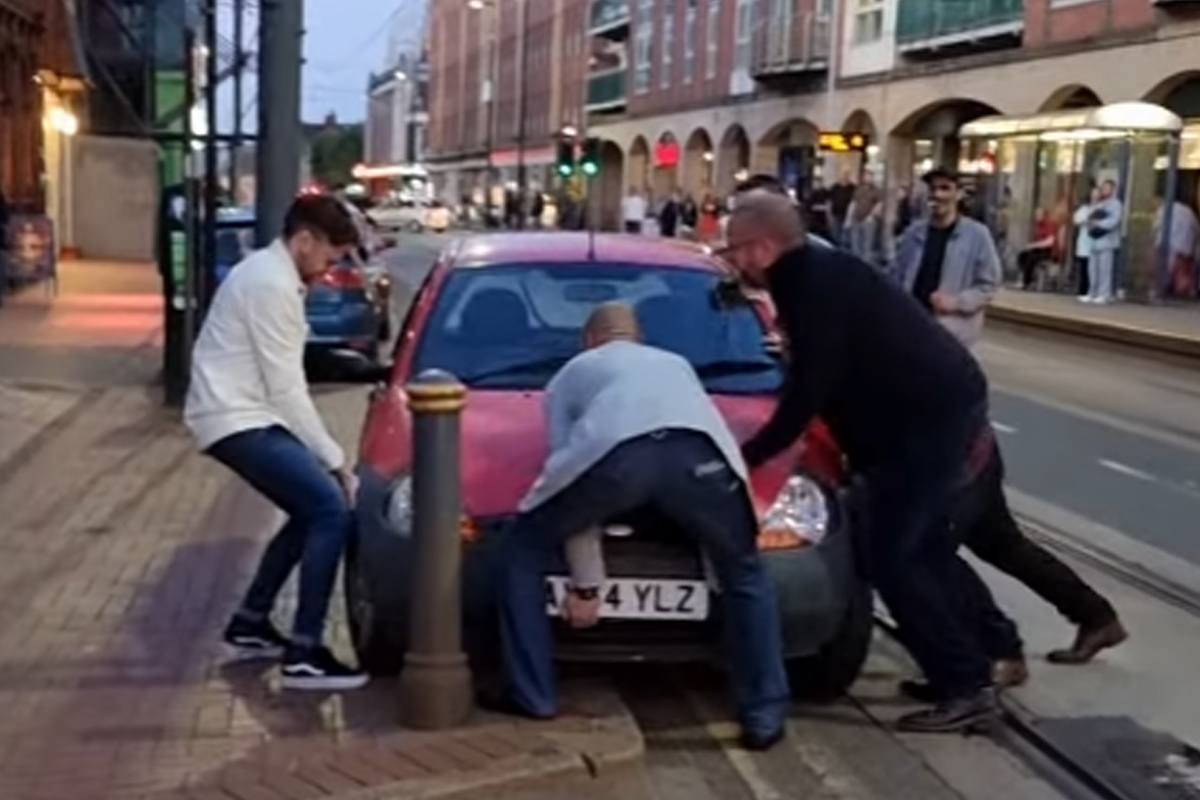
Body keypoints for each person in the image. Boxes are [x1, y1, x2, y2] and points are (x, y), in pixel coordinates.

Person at [720, 192, 997, 733]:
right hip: (919, 421)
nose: (733, 260)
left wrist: (752, 455)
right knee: (915, 552)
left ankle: (968, 684)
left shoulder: (810, 286)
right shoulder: (812, 274)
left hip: (929, 426)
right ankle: (969, 664)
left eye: (736, 249)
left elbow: (809, 391)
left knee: (896, 559)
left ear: (765, 246)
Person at [487, 303, 790, 751]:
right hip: (701, 460)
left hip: (618, 461)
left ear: (589, 341)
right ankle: (764, 713)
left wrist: (588, 584)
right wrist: (728, 541)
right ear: (640, 339)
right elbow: (720, 444)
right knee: (745, 573)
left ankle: (532, 694)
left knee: (522, 551)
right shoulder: (677, 365)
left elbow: (565, 468)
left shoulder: (572, 374)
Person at [185, 194, 368, 691]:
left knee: (312, 511)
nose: (330, 271)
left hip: (238, 412)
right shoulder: (270, 284)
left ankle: (251, 622)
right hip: (237, 416)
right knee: (332, 510)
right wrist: (335, 461)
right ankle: (305, 652)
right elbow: (286, 387)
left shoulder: (273, 275)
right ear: (303, 240)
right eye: (329, 257)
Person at [893, 168, 999, 349]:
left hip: (952, 337)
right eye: (933, 189)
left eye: (945, 188)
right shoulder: (914, 234)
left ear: (958, 194)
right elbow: (895, 276)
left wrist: (957, 302)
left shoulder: (976, 235)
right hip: (912, 329)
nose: (938, 195)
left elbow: (988, 285)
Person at [1154, 191, 1200, 299]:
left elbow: (1157, 226)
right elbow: (1197, 229)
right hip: (1186, 246)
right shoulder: (1189, 212)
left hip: (1169, 243)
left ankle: (1163, 291)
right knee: (1181, 271)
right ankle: (1182, 290)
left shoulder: (1164, 208)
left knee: (1166, 268)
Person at [1084, 179, 1123, 304]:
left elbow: (1114, 221)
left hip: (1107, 241)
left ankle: (1104, 294)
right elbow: (1088, 217)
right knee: (1092, 269)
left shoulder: (1116, 204)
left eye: (1107, 188)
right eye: (1103, 187)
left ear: (1113, 190)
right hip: (1094, 241)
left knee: (1104, 269)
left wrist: (1098, 223)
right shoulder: (1098, 203)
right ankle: (1092, 292)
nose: (1104, 190)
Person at [845, 174, 884, 265]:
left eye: (869, 176)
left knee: (866, 245)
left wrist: (871, 216)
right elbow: (853, 203)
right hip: (856, 219)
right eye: (865, 176)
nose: (867, 178)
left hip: (868, 221)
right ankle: (855, 264)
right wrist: (848, 219)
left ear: (872, 178)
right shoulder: (859, 189)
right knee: (855, 244)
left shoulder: (876, 190)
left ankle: (865, 266)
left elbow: (879, 204)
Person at [1018, 207, 1059, 291]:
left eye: (1039, 215)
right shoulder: (1037, 225)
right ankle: (1027, 277)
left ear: (1044, 215)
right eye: (1036, 215)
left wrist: (1034, 245)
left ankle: (1026, 282)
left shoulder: (1049, 224)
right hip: (1037, 250)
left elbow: (1049, 242)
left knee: (1031, 258)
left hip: (1047, 251)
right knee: (1022, 256)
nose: (1037, 216)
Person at [1072, 188, 1098, 299]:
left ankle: (1093, 291)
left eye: (1097, 194)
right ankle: (1083, 291)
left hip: (1096, 243)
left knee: (1095, 269)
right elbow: (1077, 219)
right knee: (1084, 268)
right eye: (1093, 194)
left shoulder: (1102, 207)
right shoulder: (1085, 208)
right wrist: (1088, 219)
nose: (1095, 197)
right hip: (1085, 242)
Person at [828, 170, 856, 246]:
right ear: (840, 176)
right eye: (843, 174)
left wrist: (849, 218)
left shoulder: (853, 188)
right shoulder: (835, 187)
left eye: (847, 174)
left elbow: (854, 203)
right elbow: (829, 202)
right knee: (835, 237)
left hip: (847, 216)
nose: (844, 176)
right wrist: (829, 215)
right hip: (836, 215)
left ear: (849, 176)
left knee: (845, 239)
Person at [803, 176, 833, 242]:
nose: (818, 184)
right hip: (814, 220)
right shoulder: (812, 193)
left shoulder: (826, 192)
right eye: (816, 183)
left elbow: (829, 203)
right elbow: (808, 206)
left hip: (823, 220)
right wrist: (821, 207)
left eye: (819, 182)